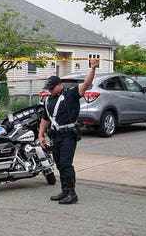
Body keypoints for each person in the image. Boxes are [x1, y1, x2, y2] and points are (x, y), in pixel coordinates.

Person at [38, 58, 99, 204]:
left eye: (52, 87)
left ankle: (72, 193)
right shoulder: (48, 100)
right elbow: (44, 119)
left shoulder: (70, 94)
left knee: (66, 164)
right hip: (55, 136)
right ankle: (65, 190)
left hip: (68, 136)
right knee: (59, 164)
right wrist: (41, 135)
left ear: (59, 85)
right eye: (49, 88)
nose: (50, 90)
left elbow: (85, 85)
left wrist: (93, 68)